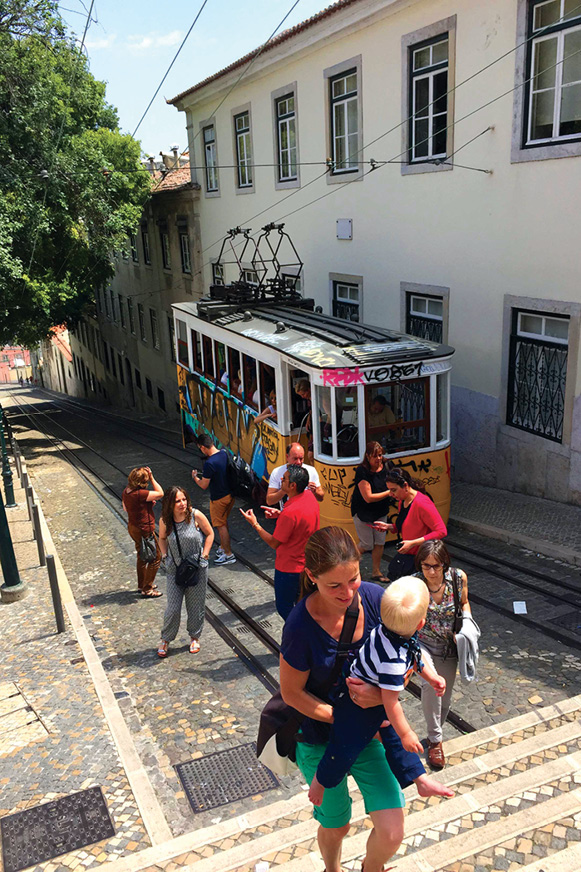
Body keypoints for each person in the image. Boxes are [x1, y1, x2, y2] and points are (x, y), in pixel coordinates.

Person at [279, 528, 453, 872]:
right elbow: (291, 693)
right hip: (319, 737)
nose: (347, 593)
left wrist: (382, 698)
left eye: (353, 580)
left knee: (392, 831)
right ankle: (332, 868)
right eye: (334, 586)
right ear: (311, 577)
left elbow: (400, 661)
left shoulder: (376, 599)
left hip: (373, 731)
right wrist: (346, 717)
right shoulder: (300, 626)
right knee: (337, 823)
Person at [308, 576, 446, 807]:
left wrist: (432, 678)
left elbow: (415, 656)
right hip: (355, 706)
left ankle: (420, 779)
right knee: (344, 748)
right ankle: (320, 781)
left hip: (372, 690)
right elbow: (391, 703)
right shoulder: (393, 659)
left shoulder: (390, 630)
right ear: (421, 623)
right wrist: (407, 733)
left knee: (394, 740)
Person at [414, 540, 471, 770]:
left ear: (445, 565)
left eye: (436, 566)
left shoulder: (459, 579)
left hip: (449, 647)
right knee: (431, 686)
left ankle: (433, 732)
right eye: (426, 566)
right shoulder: (415, 584)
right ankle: (436, 741)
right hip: (423, 645)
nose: (431, 571)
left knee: (445, 699)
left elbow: (465, 603)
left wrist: (467, 626)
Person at [240, 464, 320, 619]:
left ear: (293, 485)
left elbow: (274, 542)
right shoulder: (309, 497)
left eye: (285, 479)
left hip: (289, 569)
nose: (281, 480)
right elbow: (299, 522)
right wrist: (280, 515)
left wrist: (255, 524)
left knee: (285, 607)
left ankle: (297, 634)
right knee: (304, 605)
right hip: (308, 565)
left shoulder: (290, 513)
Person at [157, 486, 214, 657]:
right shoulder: (165, 521)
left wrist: (205, 555)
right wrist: (165, 555)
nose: (182, 504)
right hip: (175, 569)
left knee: (195, 605)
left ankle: (194, 637)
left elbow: (210, 533)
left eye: (184, 499)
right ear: (169, 504)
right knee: (173, 608)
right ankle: (166, 639)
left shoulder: (195, 515)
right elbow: (161, 538)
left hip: (197, 568)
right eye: (177, 501)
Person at [375, 468, 447, 579]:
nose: (391, 494)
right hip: (409, 556)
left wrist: (413, 543)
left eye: (393, 490)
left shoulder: (422, 503)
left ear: (405, 485)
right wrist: (389, 527)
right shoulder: (402, 501)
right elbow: (409, 525)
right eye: (389, 490)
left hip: (421, 559)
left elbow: (441, 531)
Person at [350, 441, 391, 583]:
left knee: (380, 542)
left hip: (380, 511)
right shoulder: (362, 471)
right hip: (363, 511)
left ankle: (376, 571)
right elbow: (368, 498)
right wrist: (389, 493)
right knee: (367, 544)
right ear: (367, 456)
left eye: (380, 455)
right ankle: (348, 561)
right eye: (375, 456)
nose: (378, 459)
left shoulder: (386, 465)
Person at [192, 433, 236, 565]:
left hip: (218, 499)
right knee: (224, 522)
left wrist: (195, 477)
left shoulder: (209, 463)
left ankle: (228, 554)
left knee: (220, 525)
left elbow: (204, 485)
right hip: (230, 495)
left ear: (202, 447)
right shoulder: (224, 453)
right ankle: (223, 547)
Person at [122, 466, 164, 598]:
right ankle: (147, 588)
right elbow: (160, 493)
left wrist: (146, 505)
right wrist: (152, 478)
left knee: (141, 555)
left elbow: (126, 508)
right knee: (156, 557)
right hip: (144, 529)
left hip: (133, 527)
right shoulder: (140, 494)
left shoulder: (127, 491)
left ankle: (142, 584)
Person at [266, 442, 324, 506]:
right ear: (287, 457)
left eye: (301, 459)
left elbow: (321, 497)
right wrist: (284, 490)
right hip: (288, 512)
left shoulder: (311, 471)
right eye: (295, 458)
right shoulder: (277, 472)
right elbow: (269, 501)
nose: (298, 462)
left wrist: (314, 491)